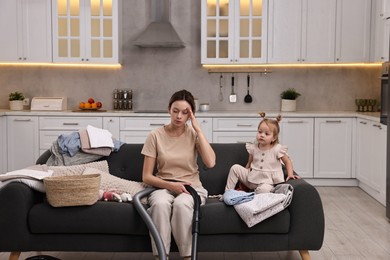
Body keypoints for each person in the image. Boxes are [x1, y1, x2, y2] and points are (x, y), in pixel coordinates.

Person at [141, 89, 216, 260]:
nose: (179, 116)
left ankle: (187, 257)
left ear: (191, 115)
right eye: (175, 111)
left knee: (182, 205)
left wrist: (199, 131)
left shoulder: (193, 135)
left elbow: (211, 163)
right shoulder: (155, 136)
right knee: (159, 205)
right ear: (169, 109)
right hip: (163, 186)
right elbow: (146, 176)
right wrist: (170, 185)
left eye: (184, 112)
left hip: (191, 188)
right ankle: (161, 256)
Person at [225, 112, 300, 194]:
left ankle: (252, 196)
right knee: (235, 168)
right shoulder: (253, 147)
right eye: (260, 132)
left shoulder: (277, 149)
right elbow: (250, 161)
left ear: (274, 138)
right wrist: (246, 169)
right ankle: (228, 193)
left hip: (267, 182)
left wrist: (290, 174)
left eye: (266, 134)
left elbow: (287, 161)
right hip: (251, 179)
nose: (262, 135)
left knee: (264, 190)